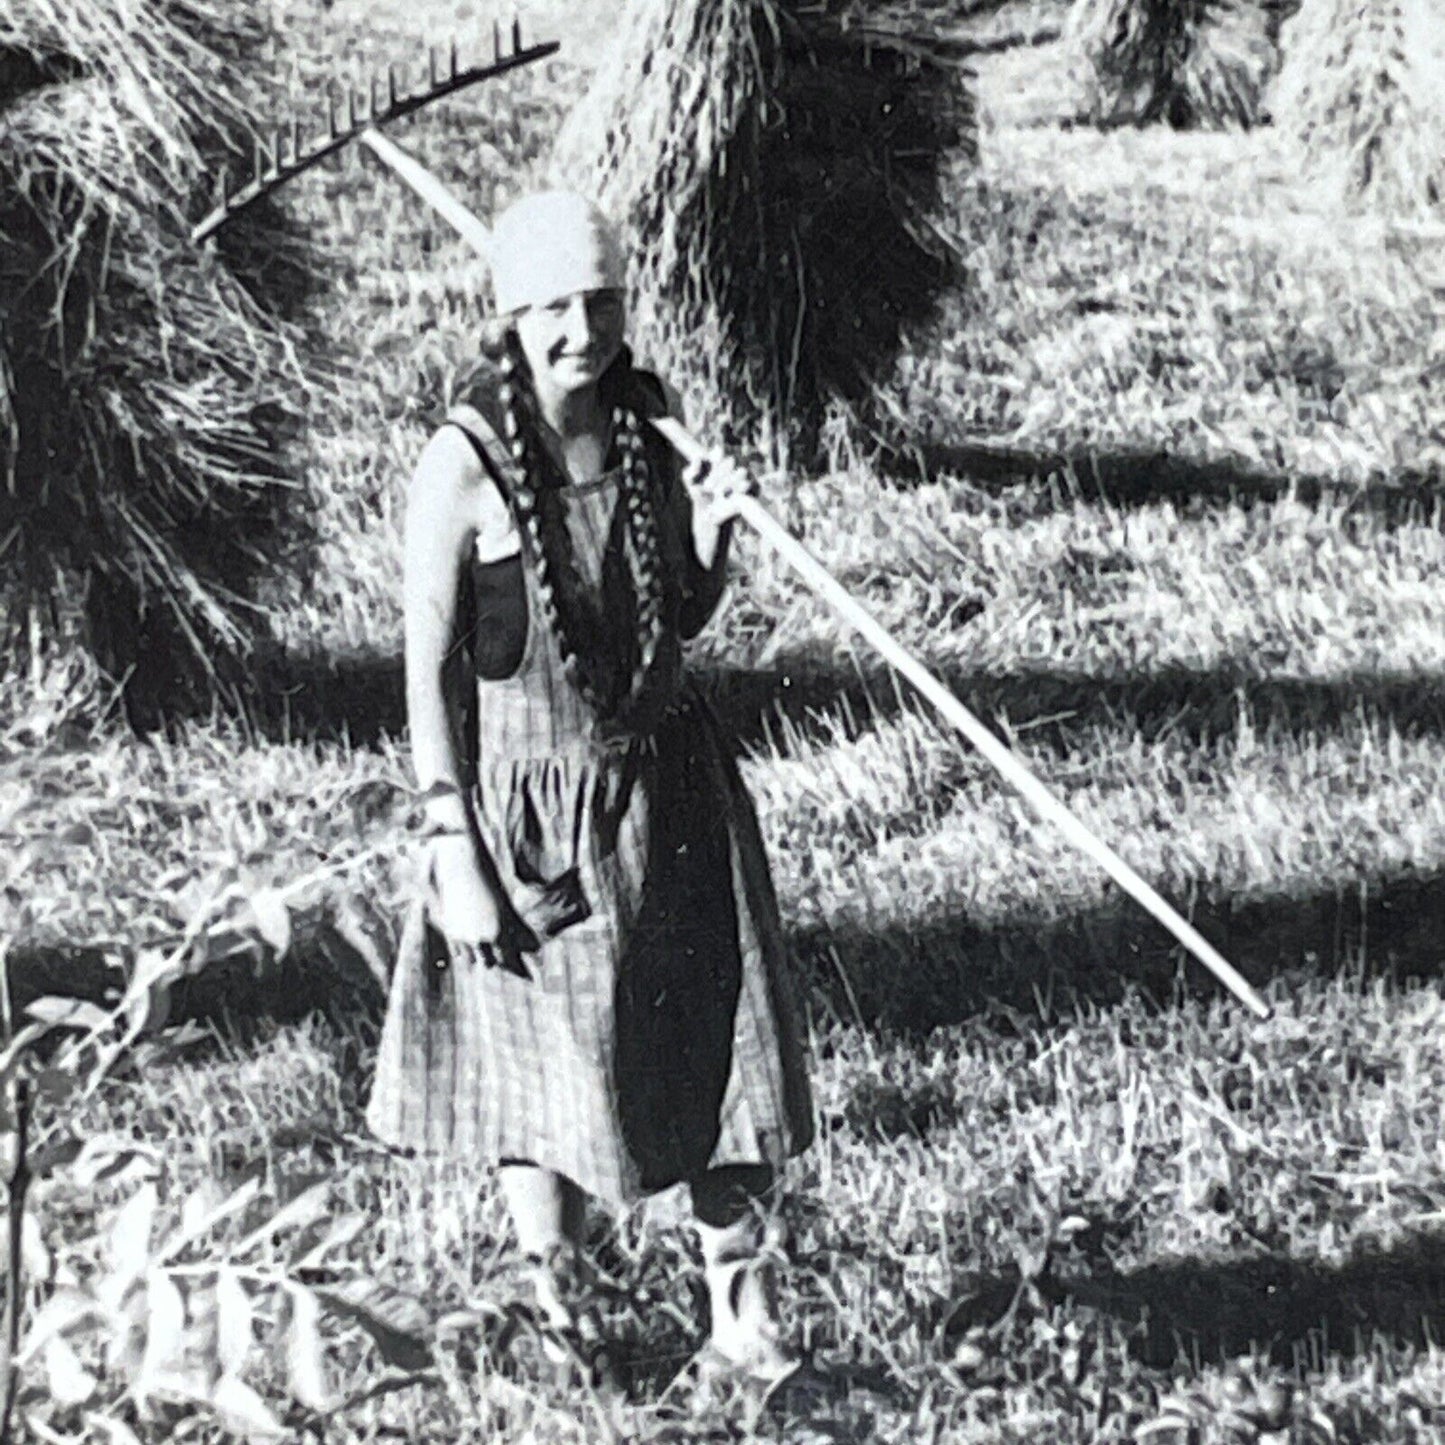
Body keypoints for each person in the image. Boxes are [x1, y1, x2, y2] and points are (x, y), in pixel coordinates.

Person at [366, 190, 814, 1389]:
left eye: (603, 299)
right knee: (545, 1075)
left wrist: (713, 534)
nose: (584, 327)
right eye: (555, 304)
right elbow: (426, 674)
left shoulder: (648, 421)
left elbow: (671, 627)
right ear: (510, 314)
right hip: (531, 819)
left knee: (727, 1053)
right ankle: (563, 1321)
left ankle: (744, 1321)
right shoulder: (460, 462)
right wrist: (449, 845)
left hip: (671, 793)